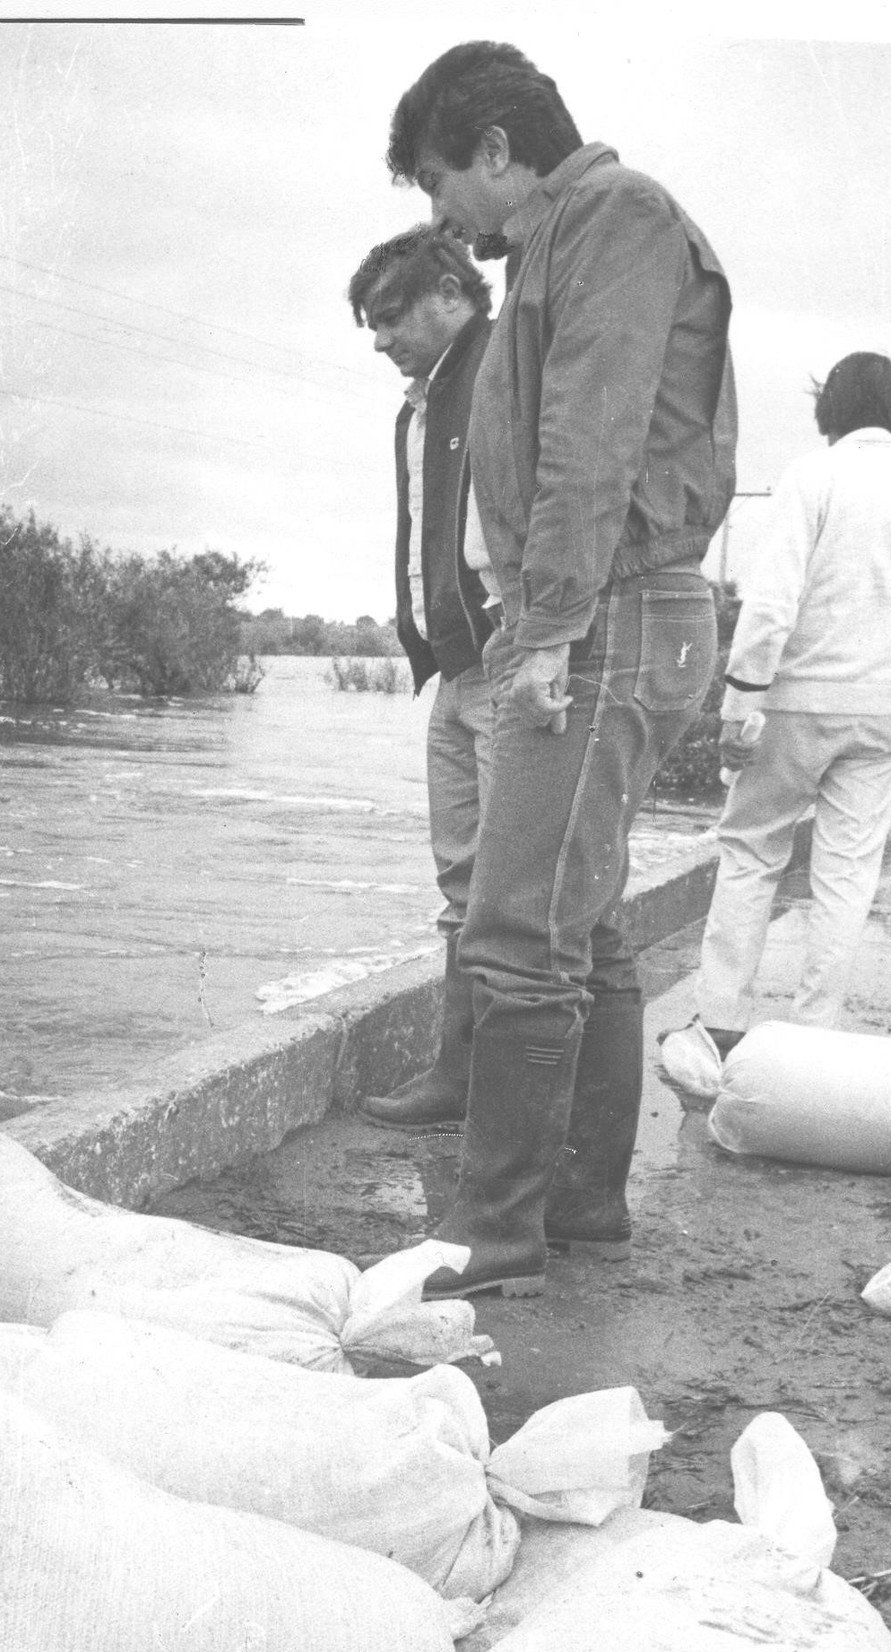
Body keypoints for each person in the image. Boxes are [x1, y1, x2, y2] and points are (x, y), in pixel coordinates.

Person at [386, 41, 736, 1296]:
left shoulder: (611, 217)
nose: (442, 219)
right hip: (612, 609)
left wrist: (542, 632)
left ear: (496, 149)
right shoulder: (559, 239)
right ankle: (581, 1203)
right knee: (576, 918)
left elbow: (590, 439)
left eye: (441, 184)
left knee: (514, 926)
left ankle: (492, 1230)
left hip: (607, 613)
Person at [662, 353, 891, 1088]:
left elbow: (772, 600)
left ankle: (719, 1027)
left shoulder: (813, 476)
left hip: (798, 699)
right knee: (848, 873)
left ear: (827, 407)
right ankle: (813, 1042)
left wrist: (739, 702)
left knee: (752, 852)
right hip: (889, 707)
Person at [341, 228, 500, 1130]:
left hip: (509, 659)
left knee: (512, 894)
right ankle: (461, 1077)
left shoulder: (501, 370)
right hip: (456, 669)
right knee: (465, 885)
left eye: (390, 317)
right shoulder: (420, 405)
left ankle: (504, 1098)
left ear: (450, 292)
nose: (379, 340)